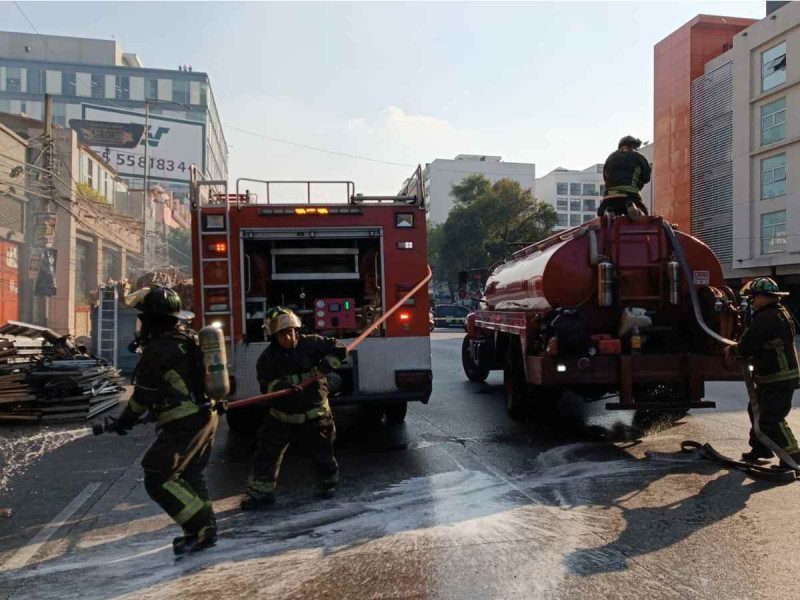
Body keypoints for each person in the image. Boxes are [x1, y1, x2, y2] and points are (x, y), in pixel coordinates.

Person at [108, 286, 219, 555]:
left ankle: (201, 526)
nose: (140, 324)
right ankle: (201, 530)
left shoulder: (157, 350)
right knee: (190, 474)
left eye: (143, 318)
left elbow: (140, 399)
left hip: (185, 421)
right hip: (206, 416)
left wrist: (124, 421)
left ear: (152, 320)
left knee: (157, 474)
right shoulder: (188, 339)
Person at [241, 307, 347, 510]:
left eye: (291, 331)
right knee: (266, 453)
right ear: (273, 335)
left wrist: (325, 367)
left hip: (316, 412)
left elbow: (340, 349)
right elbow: (267, 387)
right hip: (284, 415)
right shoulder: (266, 359)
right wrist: (283, 389)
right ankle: (261, 493)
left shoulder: (312, 343)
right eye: (282, 333)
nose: (288, 337)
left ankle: (327, 486)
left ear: (296, 329)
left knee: (323, 453)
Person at [725, 277, 800, 468]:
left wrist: (733, 350)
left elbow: (748, 345)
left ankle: (793, 459)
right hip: (775, 377)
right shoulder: (780, 312)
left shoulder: (765, 318)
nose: (751, 301)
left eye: (753, 297)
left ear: (763, 297)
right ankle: (761, 447)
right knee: (756, 409)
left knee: (771, 420)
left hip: (778, 379)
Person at [597, 135, 652, 218]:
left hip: (609, 198)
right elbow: (646, 178)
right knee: (645, 215)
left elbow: (606, 178)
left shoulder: (610, 158)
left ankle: (609, 211)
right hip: (630, 196)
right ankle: (635, 210)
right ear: (633, 146)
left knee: (600, 214)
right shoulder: (639, 156)